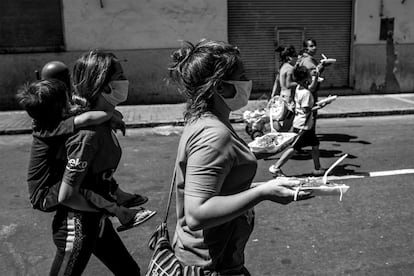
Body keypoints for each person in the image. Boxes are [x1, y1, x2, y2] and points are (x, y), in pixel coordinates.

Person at [169, 39, 313, 275]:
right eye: (242, 75)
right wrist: (263, 192)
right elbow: (196, 214)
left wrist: (251, 154)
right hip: (209, 263)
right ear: (220, 87)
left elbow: (221, 179)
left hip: (217, 257)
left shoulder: (207, 119)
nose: (248, 82)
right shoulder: (214, 134)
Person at [49, 50, 156, 275]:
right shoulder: (88, 135)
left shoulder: (103, 122)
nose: (125, 80)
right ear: (104, 85)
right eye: (120, 75)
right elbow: (67, 195)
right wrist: (114, 209)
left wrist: (116, 197)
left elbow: (97, 175)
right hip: (76, 226)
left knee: (129, 272)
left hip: (95, 220)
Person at [16, 79, 154, 233]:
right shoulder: (51, 128)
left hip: (52, 181)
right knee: (84, 184)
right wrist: (109, 113)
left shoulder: (47, 118)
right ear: (60, 108)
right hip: (44, 195)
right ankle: (121, 213)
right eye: (66, 100)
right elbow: (86, 118)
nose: (70, 102)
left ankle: (118, 195)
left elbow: (79, 107)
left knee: (89, 172)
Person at [269, 65, 331, 177]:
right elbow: (307, 110)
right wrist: (322, 105)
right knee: (294, 148)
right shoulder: (306, 93)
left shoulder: (299, 87)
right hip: (303, 125)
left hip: (306, 124)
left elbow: (311, 87)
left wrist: (316, 77)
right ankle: (276, 167)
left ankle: (317, 168)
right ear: (305, 78)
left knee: (315, 144)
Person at [270, 45, 298, 131]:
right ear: (289, 58)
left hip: (283, 96)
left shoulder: (282, 67)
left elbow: (276, 82)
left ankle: (277, 128)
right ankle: (281, 136)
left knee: (283, 118)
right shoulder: (290, 69)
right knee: (288, 123)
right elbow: (288, 84)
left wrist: (272, 96)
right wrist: (301, 83)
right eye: (295, 56)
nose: (297, 58)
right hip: (290, 98)